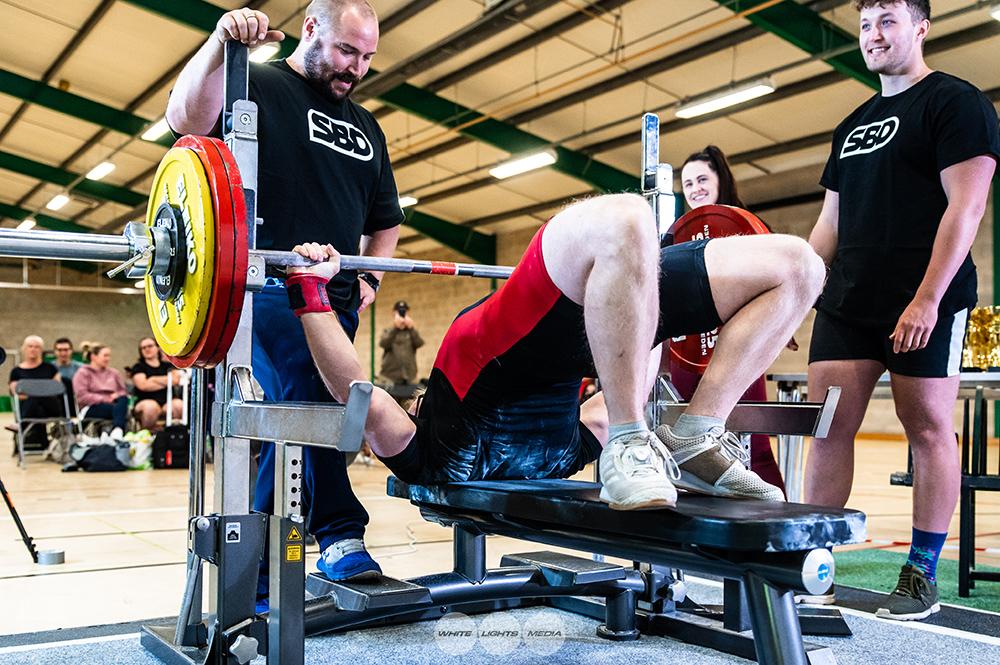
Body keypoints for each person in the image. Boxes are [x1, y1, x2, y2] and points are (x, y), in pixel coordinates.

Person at [283, 193, 824, 513]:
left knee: (798, 266)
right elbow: (623, 393)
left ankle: (692, 432)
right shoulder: (559, 455)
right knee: (798, 268)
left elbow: (354, 390)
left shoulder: (429, 457)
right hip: (598, 324)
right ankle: (690, 430)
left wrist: (309, 286)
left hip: (533, 319)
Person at [165, 0, 404, 600]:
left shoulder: (368, 127)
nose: (357, 68)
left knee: (308, 417)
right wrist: (222, 42)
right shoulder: (257, 83)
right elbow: (184, 119)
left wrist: (370, 281)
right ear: (311, 29)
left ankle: (264, 569)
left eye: (368, 57)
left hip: (337, 298)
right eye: (348, 51)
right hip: (263, 286)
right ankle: (337, 534)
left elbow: (385, 219)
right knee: (301, 397)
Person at [804, 0, 1000, 621]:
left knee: (928, 430)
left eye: (887, 20)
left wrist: (926, 299)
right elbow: (827, 225)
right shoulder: (853, 124)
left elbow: (965, 210)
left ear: (920, 28)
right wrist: (793, 295)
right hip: (848, 302)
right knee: (828, 428)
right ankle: (815, 566)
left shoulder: (955, 102)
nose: (873, 35)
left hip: (924, 299)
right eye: (865, 25)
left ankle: (919, 574)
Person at [677, 146, 788, 494]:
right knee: (681, 441)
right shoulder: (675, 234)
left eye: (701, 179)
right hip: (687, 353)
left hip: (738, 346)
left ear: (720, 180)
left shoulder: (750, 228)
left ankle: (775, 523)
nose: (694, 188)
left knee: (753, 444)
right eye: (687, 183)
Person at [7, 335, 61, 452]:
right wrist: (40, 390)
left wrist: (33, 391)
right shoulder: (16, 371)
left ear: (41, 350)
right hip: (30, 408)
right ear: (24, 349)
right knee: (33, 398)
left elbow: (57, 389)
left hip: (50, 408)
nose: (33, 349)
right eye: (30, 346)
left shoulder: (50, 368)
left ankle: (21, 427)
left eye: (37, 347)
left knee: (35, 395)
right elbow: (17, 394)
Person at [72, 345, 129, 438]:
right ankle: (118, 430)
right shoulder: (83, 373)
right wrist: (105, 399)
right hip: (92, 407)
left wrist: (117, 395)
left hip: (115, 404)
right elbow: (82, 396)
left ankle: (117, 430)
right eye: (105, 355)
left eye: (109, 356)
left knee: (123, 399)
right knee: (119, 409)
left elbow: (123, 392)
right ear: (93, 357)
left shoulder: (114, 373)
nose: (108, 359)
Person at [130, 337, 184, 431]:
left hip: (166, 401)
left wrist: (153, 379)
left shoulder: (167, 365)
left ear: (157, 348)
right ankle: (147, 433)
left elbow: (175, 380)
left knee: (178, 404)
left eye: (150, 346)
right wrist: (167, 381)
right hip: (145, 402)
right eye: (143, 348)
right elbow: (143, 385)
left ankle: (174, 434)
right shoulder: (138, 367)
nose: (147, 349)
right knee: (151, 406)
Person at [378, 301, 424, 386]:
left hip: (410, 378)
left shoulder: (411, 332)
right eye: (399, 311)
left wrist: (411, 329)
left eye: (404, 311)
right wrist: (395, 329)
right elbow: (383, 344)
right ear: (394, 313)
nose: (402, 313)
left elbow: (419, 343)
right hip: (389, 378)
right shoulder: (388, 331)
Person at [53, 337, 84, 416]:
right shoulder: (48, 368)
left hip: (76, 401)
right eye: (60, 350)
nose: (63, 353)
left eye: (66, 350)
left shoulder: (81, 368)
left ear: (71, 351)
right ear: (55, 352)